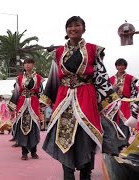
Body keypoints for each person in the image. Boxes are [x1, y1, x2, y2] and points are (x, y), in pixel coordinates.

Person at [42, 16, 120, 180]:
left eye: (77, 25)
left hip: (87, 95)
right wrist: (47, 100)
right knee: (64, 134)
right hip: (64, 97)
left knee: (86, 135)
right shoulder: (58, 53)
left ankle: (86, 173)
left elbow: (100, 76)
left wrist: (105, 101)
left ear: (84, 29)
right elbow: (54, 77)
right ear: (66, 31)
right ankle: (68, 174)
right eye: (69, 26)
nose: (73, 29)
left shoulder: (93, 49)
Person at [8, 58, 43, 160]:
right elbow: (16, 93)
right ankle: (24, 153)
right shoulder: (19, 78)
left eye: (29, 63)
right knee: (22, 128)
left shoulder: (39, 78)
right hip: (22, 104)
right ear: (23, 65)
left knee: (34, 128)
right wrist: (12, 107)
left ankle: (33, 151)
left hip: (34, 103)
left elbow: (41, 92)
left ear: (33, 65)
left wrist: (42, 105)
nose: (27, 65)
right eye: (26, 63)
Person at [106, 58, 138, 152]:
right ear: (116, 66)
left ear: (125, 66)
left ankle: (124, 142)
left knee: (125, 124)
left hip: (126, 103)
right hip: (114, 104)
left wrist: (132, 104)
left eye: (122, 65)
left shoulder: (131, 78)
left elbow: (134, 92)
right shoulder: (111, 79)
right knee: (114, 123)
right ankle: (117, 143)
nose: (120, 67)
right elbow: (108, 92)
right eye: (119, 65)